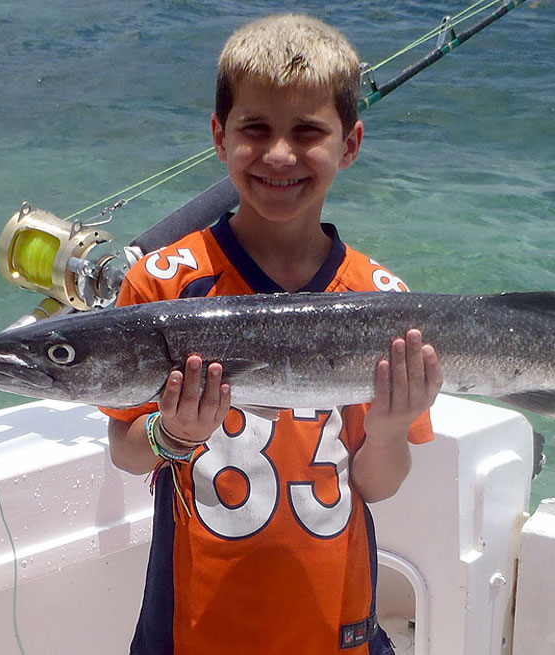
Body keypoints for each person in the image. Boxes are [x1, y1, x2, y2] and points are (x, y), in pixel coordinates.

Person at [101, 14, 442, 655]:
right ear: (219, 136)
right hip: (190, 630)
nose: (279, 154)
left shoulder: (382, 301)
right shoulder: (165, 284)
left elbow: (377, 483)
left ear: (350, 143)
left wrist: (392, 426)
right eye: (255, 129)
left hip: (337, 626)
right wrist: (171, 435)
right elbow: (125, 448)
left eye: (308, 131)